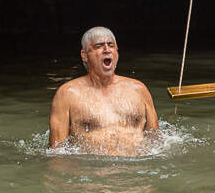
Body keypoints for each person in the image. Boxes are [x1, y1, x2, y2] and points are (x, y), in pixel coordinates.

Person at [48, 27, 159, 156]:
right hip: (92, 171)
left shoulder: (138, 89)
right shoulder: (67, 94)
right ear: (84, 55)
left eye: (111, 45)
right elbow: (57, 151)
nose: (107, 50)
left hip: (137, 170)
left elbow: (156, 140)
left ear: (117, 52)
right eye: (99, 46)